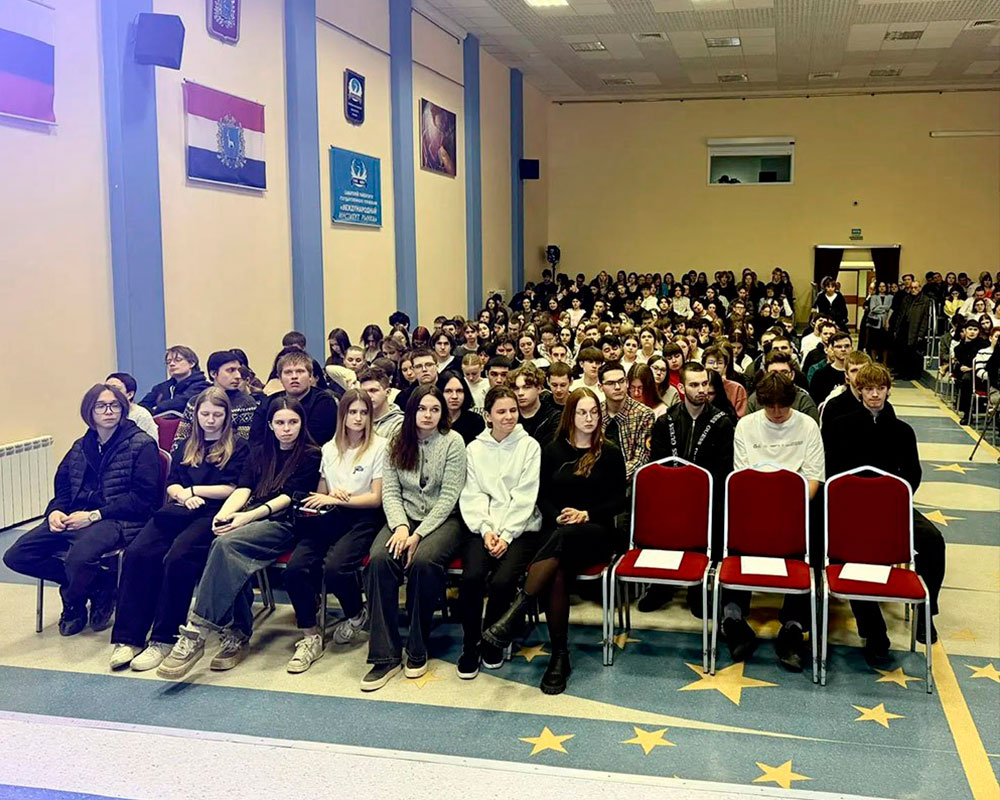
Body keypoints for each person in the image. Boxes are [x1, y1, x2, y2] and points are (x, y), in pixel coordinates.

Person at [157, 397, 322, 679]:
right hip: (251, 517)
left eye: (293, 422)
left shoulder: (311, 455)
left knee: (227, 545)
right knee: (223, 545)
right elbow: (243, 489)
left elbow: (288, 498)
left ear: (301, 424)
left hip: (284, 523)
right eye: (280, 422)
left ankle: (197, 631)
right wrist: (224, 515)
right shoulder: (260, 452)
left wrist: (245, 518)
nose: (286, 429)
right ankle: (237, 632)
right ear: (270, 425)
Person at [483, 389, 626, 695]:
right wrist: (558, 516)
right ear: (570, 416)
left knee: (559, 542)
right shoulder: (553, 450)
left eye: (594, 412)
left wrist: (585, 514)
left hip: (596, 534)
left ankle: (520, 607)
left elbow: (619, 501)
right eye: (582, 412)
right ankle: (560, 655)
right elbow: (542, 497)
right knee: (556, 571)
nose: (589, 419)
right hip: (559, 534)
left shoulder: (610, 452)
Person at [108, 388, 249, 671]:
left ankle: (164, 638)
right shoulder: (186, 444)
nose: (211, 420)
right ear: (196, 416)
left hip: (213, 512)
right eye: (205, 414)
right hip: (180, 507)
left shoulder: (239, 446)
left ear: (227, 416)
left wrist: (195, 491)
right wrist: (183, 495)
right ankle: (129, 638)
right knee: (138, 553)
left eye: (217, 414)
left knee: (178, 557)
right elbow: (172, 483)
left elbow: (234, 488)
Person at [4, 384, 159, 636]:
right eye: (101, 406)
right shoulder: (81, 445)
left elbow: (144, 498)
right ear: (89, 411)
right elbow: (63, 486)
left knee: (78, 559)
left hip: (116, 518)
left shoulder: (141, 444)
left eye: (114, 405)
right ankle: (99, 584)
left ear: (123, 409)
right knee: (16, 555)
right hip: (74, 516)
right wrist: (55, 511)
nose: (108, 411)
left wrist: (94, 516)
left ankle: (73, 602)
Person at [822, 364, 946, 659]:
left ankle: (925, 612)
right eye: (868, 389)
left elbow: (912, 475)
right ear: (859, 391)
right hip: (851, 510)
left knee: (932, 541)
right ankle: (873, 630)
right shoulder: (840, 426)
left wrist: (893, 499)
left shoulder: (903, 431)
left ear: (888, 390)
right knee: (849, 553)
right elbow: (832, 472)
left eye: (880, 388)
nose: (875, 394)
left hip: (892, 508)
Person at [361, 385, 467, 691]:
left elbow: (449, 497)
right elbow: (391, 492)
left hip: (444, 520)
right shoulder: (396, 441)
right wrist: (401, 528)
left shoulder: (453, 441)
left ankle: (418, 646)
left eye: (435, 409)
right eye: (422, 409)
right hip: (403, 518)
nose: (428, 415)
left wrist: (418, 534)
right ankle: (385, 655)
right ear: (412, 411)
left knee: (423, 562)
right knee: (379, 559)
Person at [281, 390, 388, 673]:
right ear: (343, 415)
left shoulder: (380, 446)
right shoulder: (329, 448)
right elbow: (321, 492)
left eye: (364, 413)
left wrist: (340, 499)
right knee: (295, 569)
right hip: (330, 515)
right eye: (352, 412)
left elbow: (375, 498)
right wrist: (330, 496)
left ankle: (356, 612)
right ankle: (310, 636)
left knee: (335, 568)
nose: (358, 418)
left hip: (364, 518)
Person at [725, 372, 825, 673]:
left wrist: (791, 510)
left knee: (808, 541)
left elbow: (814, 476)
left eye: (783, 407)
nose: (778, 413)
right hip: (754, 504)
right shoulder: (746, 426)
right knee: (735, 539)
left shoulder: (807, 426)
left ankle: (793, 626)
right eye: (771, 407)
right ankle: (733, 619)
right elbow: (742, 476)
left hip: (796, 507)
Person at [456, 386, 543, 678]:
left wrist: (506, 535)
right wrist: (486, 530)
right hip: (483, 528)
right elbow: (472, 494)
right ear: (488, 415)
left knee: (503, 581)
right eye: (501, 411)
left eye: (513, 411)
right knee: (472, 577)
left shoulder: (529, 446)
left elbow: (525, 496)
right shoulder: (474, 449)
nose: (508, 417)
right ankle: (470, 644)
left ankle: (492, 640)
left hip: (520, 529)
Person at [639, 361, 736, 614]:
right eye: (694, 385)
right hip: (671, 496)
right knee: (658, 509)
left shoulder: (722, 422)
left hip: (707, 498)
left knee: (714, 513)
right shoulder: (665, 421)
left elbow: (724, 469)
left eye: (704, 384)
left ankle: (698, 588)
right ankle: (661, 585)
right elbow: (657, 465)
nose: (701, 389)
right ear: (681, 388)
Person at [169, 351, 259, 452]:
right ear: (213, 373)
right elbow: (180, 439)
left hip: (230, 456)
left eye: (238, 370)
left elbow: (244, 443)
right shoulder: (195, 401)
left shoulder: (246, 403)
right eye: (231, 370)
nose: (238, 376)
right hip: (195, 454)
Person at [250, 351, 338, 447]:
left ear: (310, 376)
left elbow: (318, 439)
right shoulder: (268, 403)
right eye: (288, 372)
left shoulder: (324, 402)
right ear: (280, 378)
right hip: (271, 454)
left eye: (300, 371)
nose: (294, 377)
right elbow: (256, 439)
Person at [599, 362, 654, 482]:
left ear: (627, 383)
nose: (617, 387)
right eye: (610, 383)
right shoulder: (596, 412)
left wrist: (614, 478)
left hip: (628, 482)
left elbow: (641, 458)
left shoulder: (644, 414)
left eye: (621, 381)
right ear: (600, 387)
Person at [139, 346, 210, 415]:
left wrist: (156, 408)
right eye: (168, 362)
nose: (172, 364)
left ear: (192, 363)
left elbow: (181, 403)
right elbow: (142, 407)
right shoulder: (161, 388)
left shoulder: (202, 386)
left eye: (178, 360)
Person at [891, 278, 933, 380]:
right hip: (904, 327)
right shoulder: (906, 299)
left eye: (915, 288)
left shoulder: (925, 300)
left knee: (912, 353)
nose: (913, 290)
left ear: (920, 288)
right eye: (911, 288)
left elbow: (925, 319)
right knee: (902, 351)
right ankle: (901, 372)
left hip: (915, 328)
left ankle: (911, 374)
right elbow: (900, 314)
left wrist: (921, 334)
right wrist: (896, 329)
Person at [509, 365, 560, 444]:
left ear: (539, 389)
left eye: (526, 387)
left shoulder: (553, 417)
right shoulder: (508, 416)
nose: (520, 393)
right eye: (516, 389)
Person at [818, 351, 870, 425]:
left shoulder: (881, 403)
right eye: (854, 371)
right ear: (846, 376)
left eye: (864, 370)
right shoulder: (833, 407)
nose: (860, 375)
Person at [953, 319, 989, 424]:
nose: (972, 332)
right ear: (965, 330)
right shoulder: (958, 348)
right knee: (965, 378)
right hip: (966, 373)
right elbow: (960, 362)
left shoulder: (984, 345)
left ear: (979, 331)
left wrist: (971, 368)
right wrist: (962, 367)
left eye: (975, 329)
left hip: (981, 372)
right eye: (970, 329)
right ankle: (967, 413)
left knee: (967, 378)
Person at [105, 372, 158, 441]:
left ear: (130, 394)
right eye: (106, 389)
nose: (109, 393)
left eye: (115, 389)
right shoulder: (103, 413)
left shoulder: (141, 415)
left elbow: (149, 444)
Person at [438, 370, 486, 444]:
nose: (454, 396)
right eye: (448, 391)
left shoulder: (476, 421)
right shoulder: (434, 420)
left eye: (459, 391)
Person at [357, 366, 404, 439]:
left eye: (373, 390)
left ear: (388, 392)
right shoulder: (357, 419)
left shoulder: (399, 424)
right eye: (364, 392)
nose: (368, 396)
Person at [809, 331, 853, 405]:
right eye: (838, 347)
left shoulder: (858, 373)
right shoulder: (820, 375)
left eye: (847, 346)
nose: (843, 349)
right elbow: (815, 402)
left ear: (852, 348)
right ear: (832, 349)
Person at [703, 345, 747, 418]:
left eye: (720, 363)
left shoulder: (737, 388)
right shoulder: (696, 386)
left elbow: (741, 418)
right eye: (710, 362)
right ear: (704, 365)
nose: (715, 366)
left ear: (725, 366)